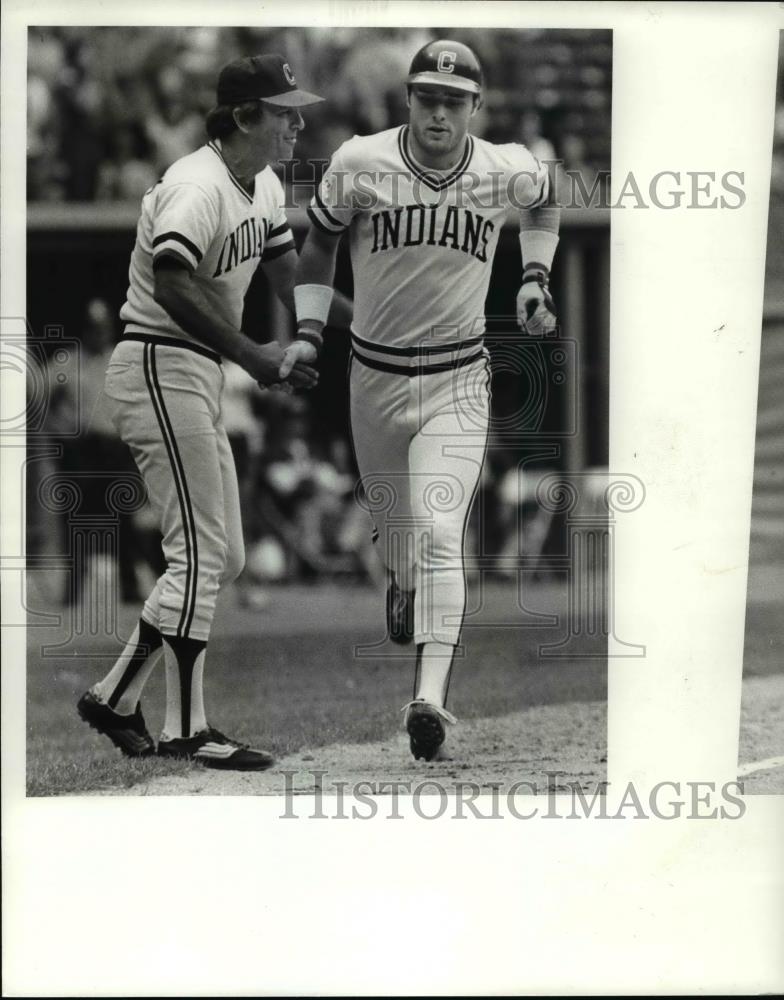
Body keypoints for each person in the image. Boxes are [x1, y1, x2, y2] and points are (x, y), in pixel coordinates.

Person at [281, 39, 560, 761]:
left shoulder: (504, 166)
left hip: (458, 378)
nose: (439, 112)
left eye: (454, 100)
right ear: (408, 98)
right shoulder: (360, 161)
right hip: (372, 379)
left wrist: (535, 276)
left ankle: (429, 698)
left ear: (475, 106)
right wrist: (310, 329)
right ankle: (401, 582)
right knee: (402, 545)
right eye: (427, 97)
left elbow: (546, 197)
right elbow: (319, 245)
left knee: (441, 532)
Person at [77, 53, 347, 771]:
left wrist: (375, 330)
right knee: (195, 552)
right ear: (243, 117)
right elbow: (172, 285)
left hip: (191, 365)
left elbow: (291, 277)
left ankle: (112, 696)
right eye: (283, 110)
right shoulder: (196, 185)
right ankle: (186, 728)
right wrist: (255, 356)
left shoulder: (259, 183)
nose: (296, 121)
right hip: (159, 357)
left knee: (218, 559)